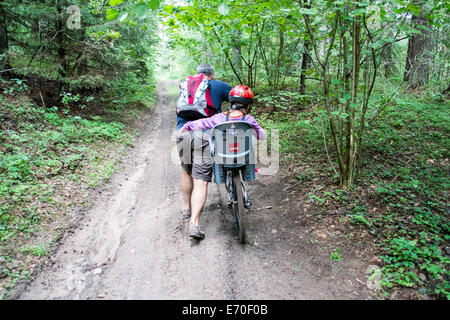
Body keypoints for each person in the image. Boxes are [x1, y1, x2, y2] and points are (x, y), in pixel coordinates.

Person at [179, 85, 266, 240]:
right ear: (248, 105)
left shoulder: (218, 119)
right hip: (243, 157)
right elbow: (262, 136)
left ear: (231, 103)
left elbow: (200, 124)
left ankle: (194, 221)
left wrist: (186, 127)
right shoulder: (249, 120)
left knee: (203, 175)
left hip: (222, 158)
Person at [176, 64, 232, 233]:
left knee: (186, 171)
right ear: (212, 75)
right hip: (204, 135)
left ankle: (186, 208)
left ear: (197, 74)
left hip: (182, 132)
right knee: (201, 179)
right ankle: (194, 223)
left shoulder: (186, 86)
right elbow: (238, 99)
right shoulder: (218, 85)